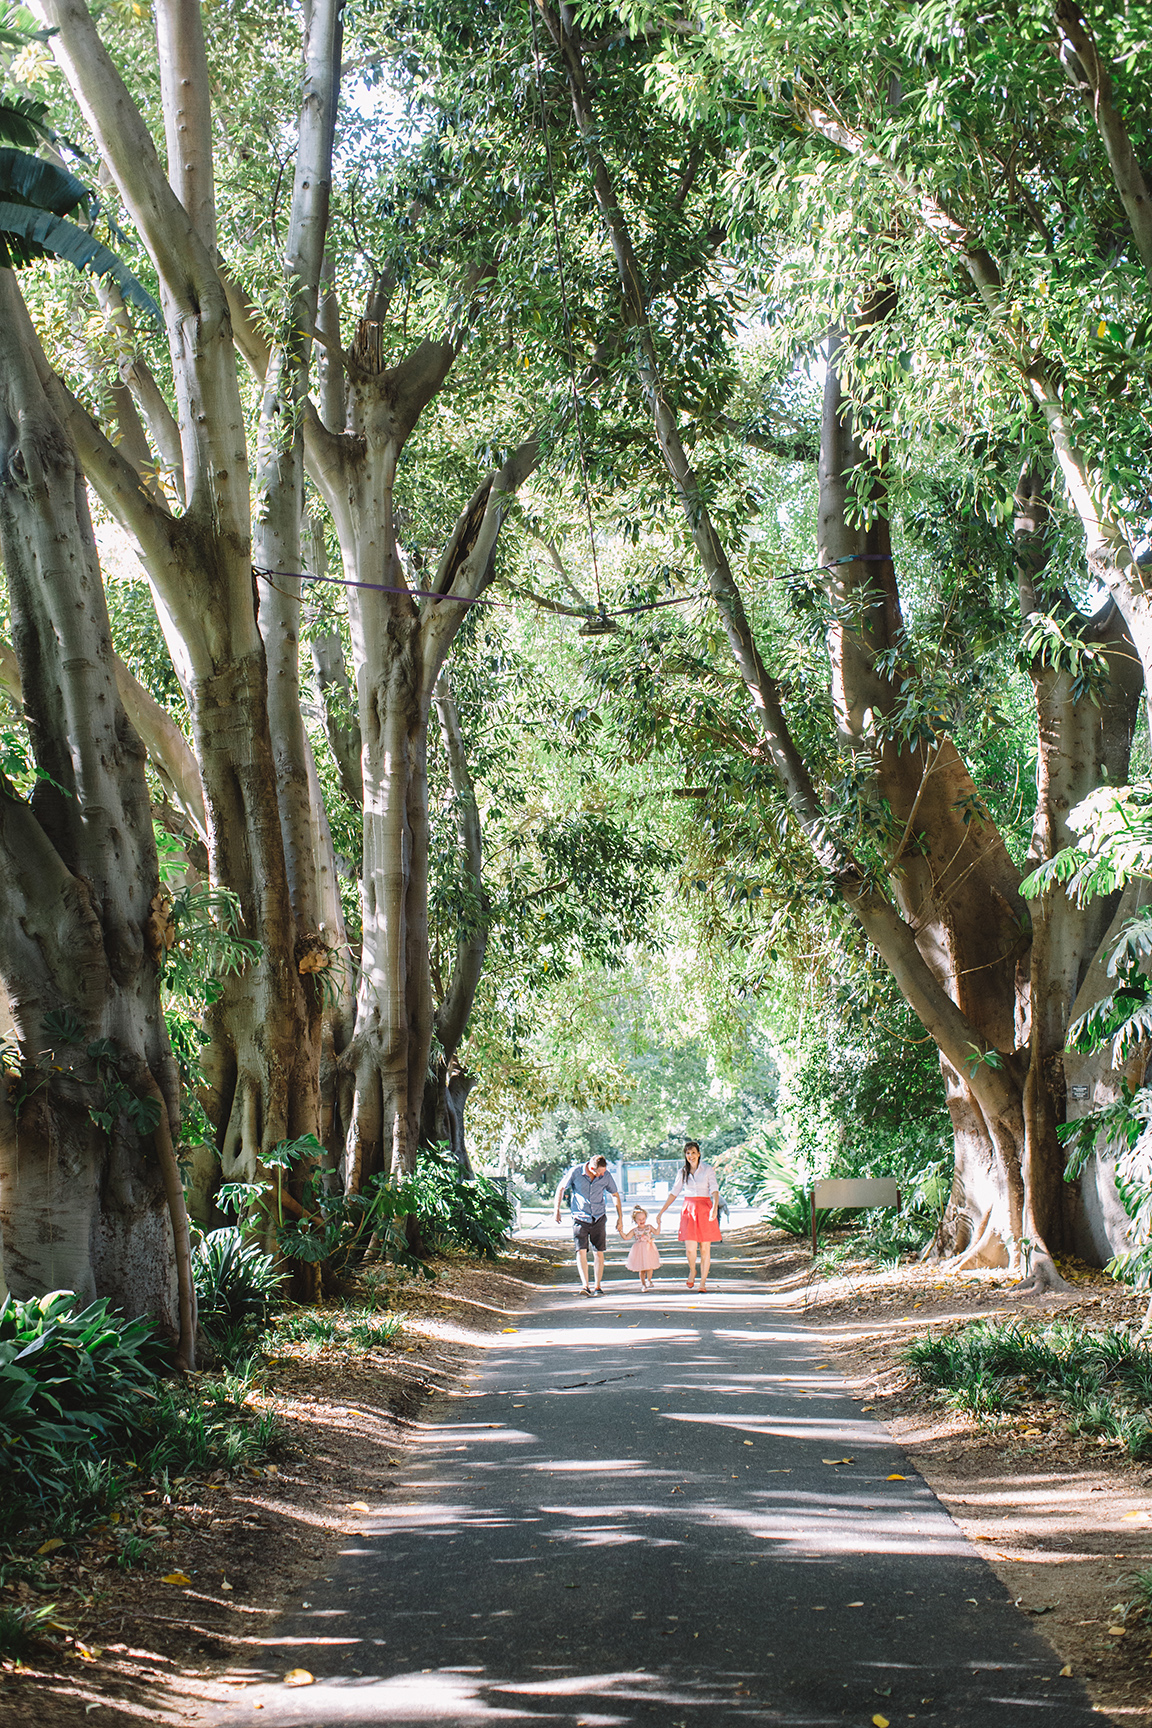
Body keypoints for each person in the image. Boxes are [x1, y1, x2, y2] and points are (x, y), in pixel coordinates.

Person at [553, 1152, 623, 1296]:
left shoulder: (606, 1175)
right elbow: (561, 1188)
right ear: (591, 1168)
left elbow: (615, 1195)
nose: (601, 1176)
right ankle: (585, 1286)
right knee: (581, 1251)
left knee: (599, 1252)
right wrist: (557, 1210)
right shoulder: (576, 1172)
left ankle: (597, 1286)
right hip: (580, 1217)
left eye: (603, 1173)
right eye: (599, 1173)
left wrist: (620, 1217)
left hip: (598, 1217)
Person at [656, 1139, 721, 1291]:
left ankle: (703, 1283)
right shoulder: (682, 1172)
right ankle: (693, 1270)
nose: (690, 1156)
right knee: (690, 1249)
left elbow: (714, 1189)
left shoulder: (707, 1169)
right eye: (688, 1153)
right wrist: (661, 1211)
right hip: (689, 1211)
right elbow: (674, 1192)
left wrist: (715, 1207)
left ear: (698, 1154)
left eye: (693, 1153)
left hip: (705, 1208)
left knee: (705, 1249)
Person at [619, 1204, 661, 1291]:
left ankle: (649, 1280)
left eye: (643, 1219)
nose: (642, 1221)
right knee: (641, 1268)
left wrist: (659, 1224)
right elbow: (626, 1237)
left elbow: (656, 1232)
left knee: (650, 1266)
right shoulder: (635, 1230)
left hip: (649, 1248)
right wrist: (620, 1231)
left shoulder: (649, 1227)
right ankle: (643, 1284)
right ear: (635, 1220)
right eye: (639, 1220)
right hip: (639, 1250)